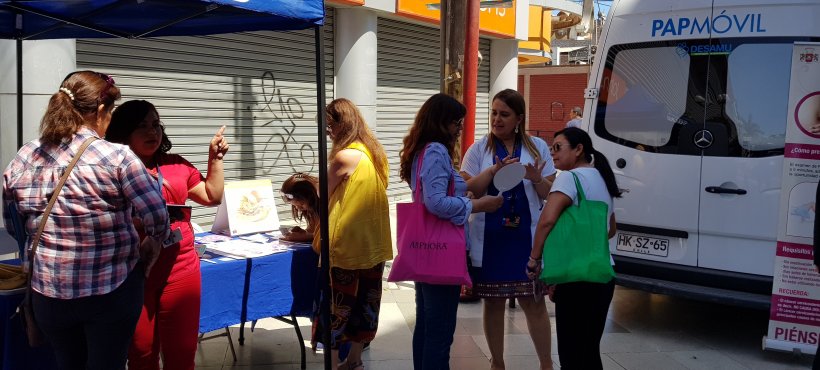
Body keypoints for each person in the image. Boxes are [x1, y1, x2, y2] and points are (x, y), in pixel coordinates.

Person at [1, 71, 169, 370]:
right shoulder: (117, 156)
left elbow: (13, 221)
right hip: (111, 291)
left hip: (48, 294)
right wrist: (152, 242)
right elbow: (157, 215)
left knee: (68, 363)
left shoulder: (26, 154)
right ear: (101, 111)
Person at [106, 99, 229, 370]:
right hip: (132, 271)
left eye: (156, 125)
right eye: (142, 126)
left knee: (181, 353)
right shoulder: (110, 168)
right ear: (123, 131)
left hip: (180, 266)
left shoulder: (175, 165)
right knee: (141, 352)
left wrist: (215, 159)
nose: (152, 132)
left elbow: (212, 195)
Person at [399, 93, 504, 370]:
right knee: (440, 330)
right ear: (441, 122)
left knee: (427, 325)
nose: (460, 129)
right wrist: (476, 204)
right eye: (457, 123)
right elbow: (434, 202)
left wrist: (467, 190)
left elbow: (437, 194)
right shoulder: (435, 150)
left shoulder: (423, 150)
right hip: (441, 249)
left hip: (426, 247)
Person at [460, 89, 556, 370]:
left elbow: (550, 193)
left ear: (519, 118)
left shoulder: (537, 146)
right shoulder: (479, 149)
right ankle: (497, 363)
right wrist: (491, 173)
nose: (496, 119)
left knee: (533, 302)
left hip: (526, 239)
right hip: (490, 238)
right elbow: (469, 189)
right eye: (493, 113)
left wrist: (537, 179)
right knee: (492, 303)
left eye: (504, 114)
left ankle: (546, 364)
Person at [526, 127, 621, 370]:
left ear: (579, 149)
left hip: (576, 278)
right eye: (551, 148)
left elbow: (547, 220)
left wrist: (534, 258)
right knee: (589, 351)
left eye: (558, 147)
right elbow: (610, 229)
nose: (553, 154)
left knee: (570, 353)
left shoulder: (569, 177)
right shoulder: (602, 178)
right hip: (602, 273)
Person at [316, 98, 393, 370]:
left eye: (330, 125)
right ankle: (355, 361)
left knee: (339, 307)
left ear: (342, 124)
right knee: (365, 304)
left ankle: (335, 363)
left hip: (347, 247)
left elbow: (322, 194)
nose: (328, 131)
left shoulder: (344, 156)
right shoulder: (374, 152)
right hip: (374, 244)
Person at [279, 173, 319, 244]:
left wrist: (304, 237)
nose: (298, 208)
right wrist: (303, 233)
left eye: (302, 204)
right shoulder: (310, 211)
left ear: (311, 198)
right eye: (295, 205)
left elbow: (329, 234)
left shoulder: (326, 208)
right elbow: (313, 232)